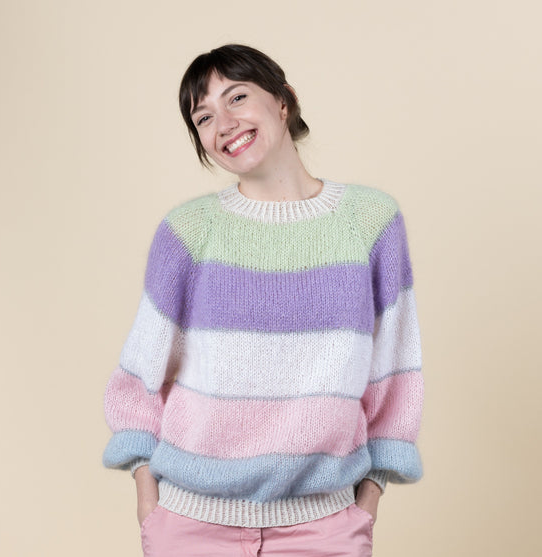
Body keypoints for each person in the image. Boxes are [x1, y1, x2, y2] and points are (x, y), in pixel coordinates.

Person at [102, 44, 424, 557]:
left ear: (283, 101)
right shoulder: (188, 232)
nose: (224, 123)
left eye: (237, 98)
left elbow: (395, 370)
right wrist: (148, 500)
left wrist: (369, 496)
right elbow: (140, 374)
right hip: (190, 525)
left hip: (324, 528)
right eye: (204, 117)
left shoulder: (371, 223)